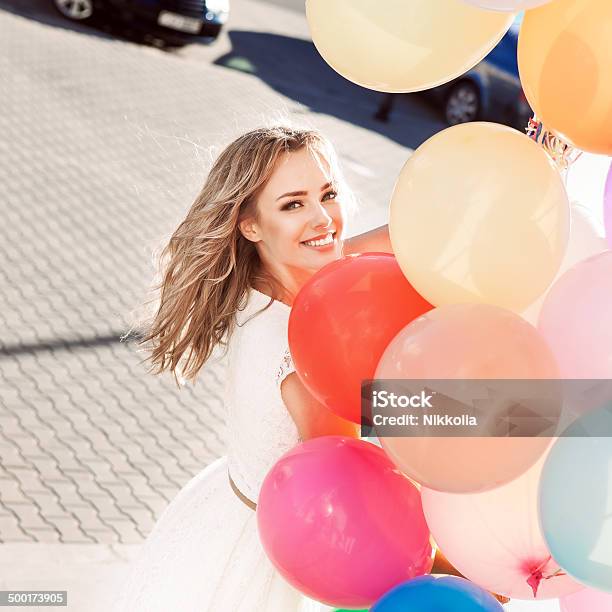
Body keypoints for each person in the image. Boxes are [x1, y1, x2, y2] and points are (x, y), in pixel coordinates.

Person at [114, 126, 507, 610]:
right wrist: (465, 568)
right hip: (299, 552)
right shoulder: (302, 352)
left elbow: (382, 247)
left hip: (232, 505)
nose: (324, 219)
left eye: (328, 194)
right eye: (293, 204)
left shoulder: (273, 279)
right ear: (250, 225)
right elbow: (353, 499)